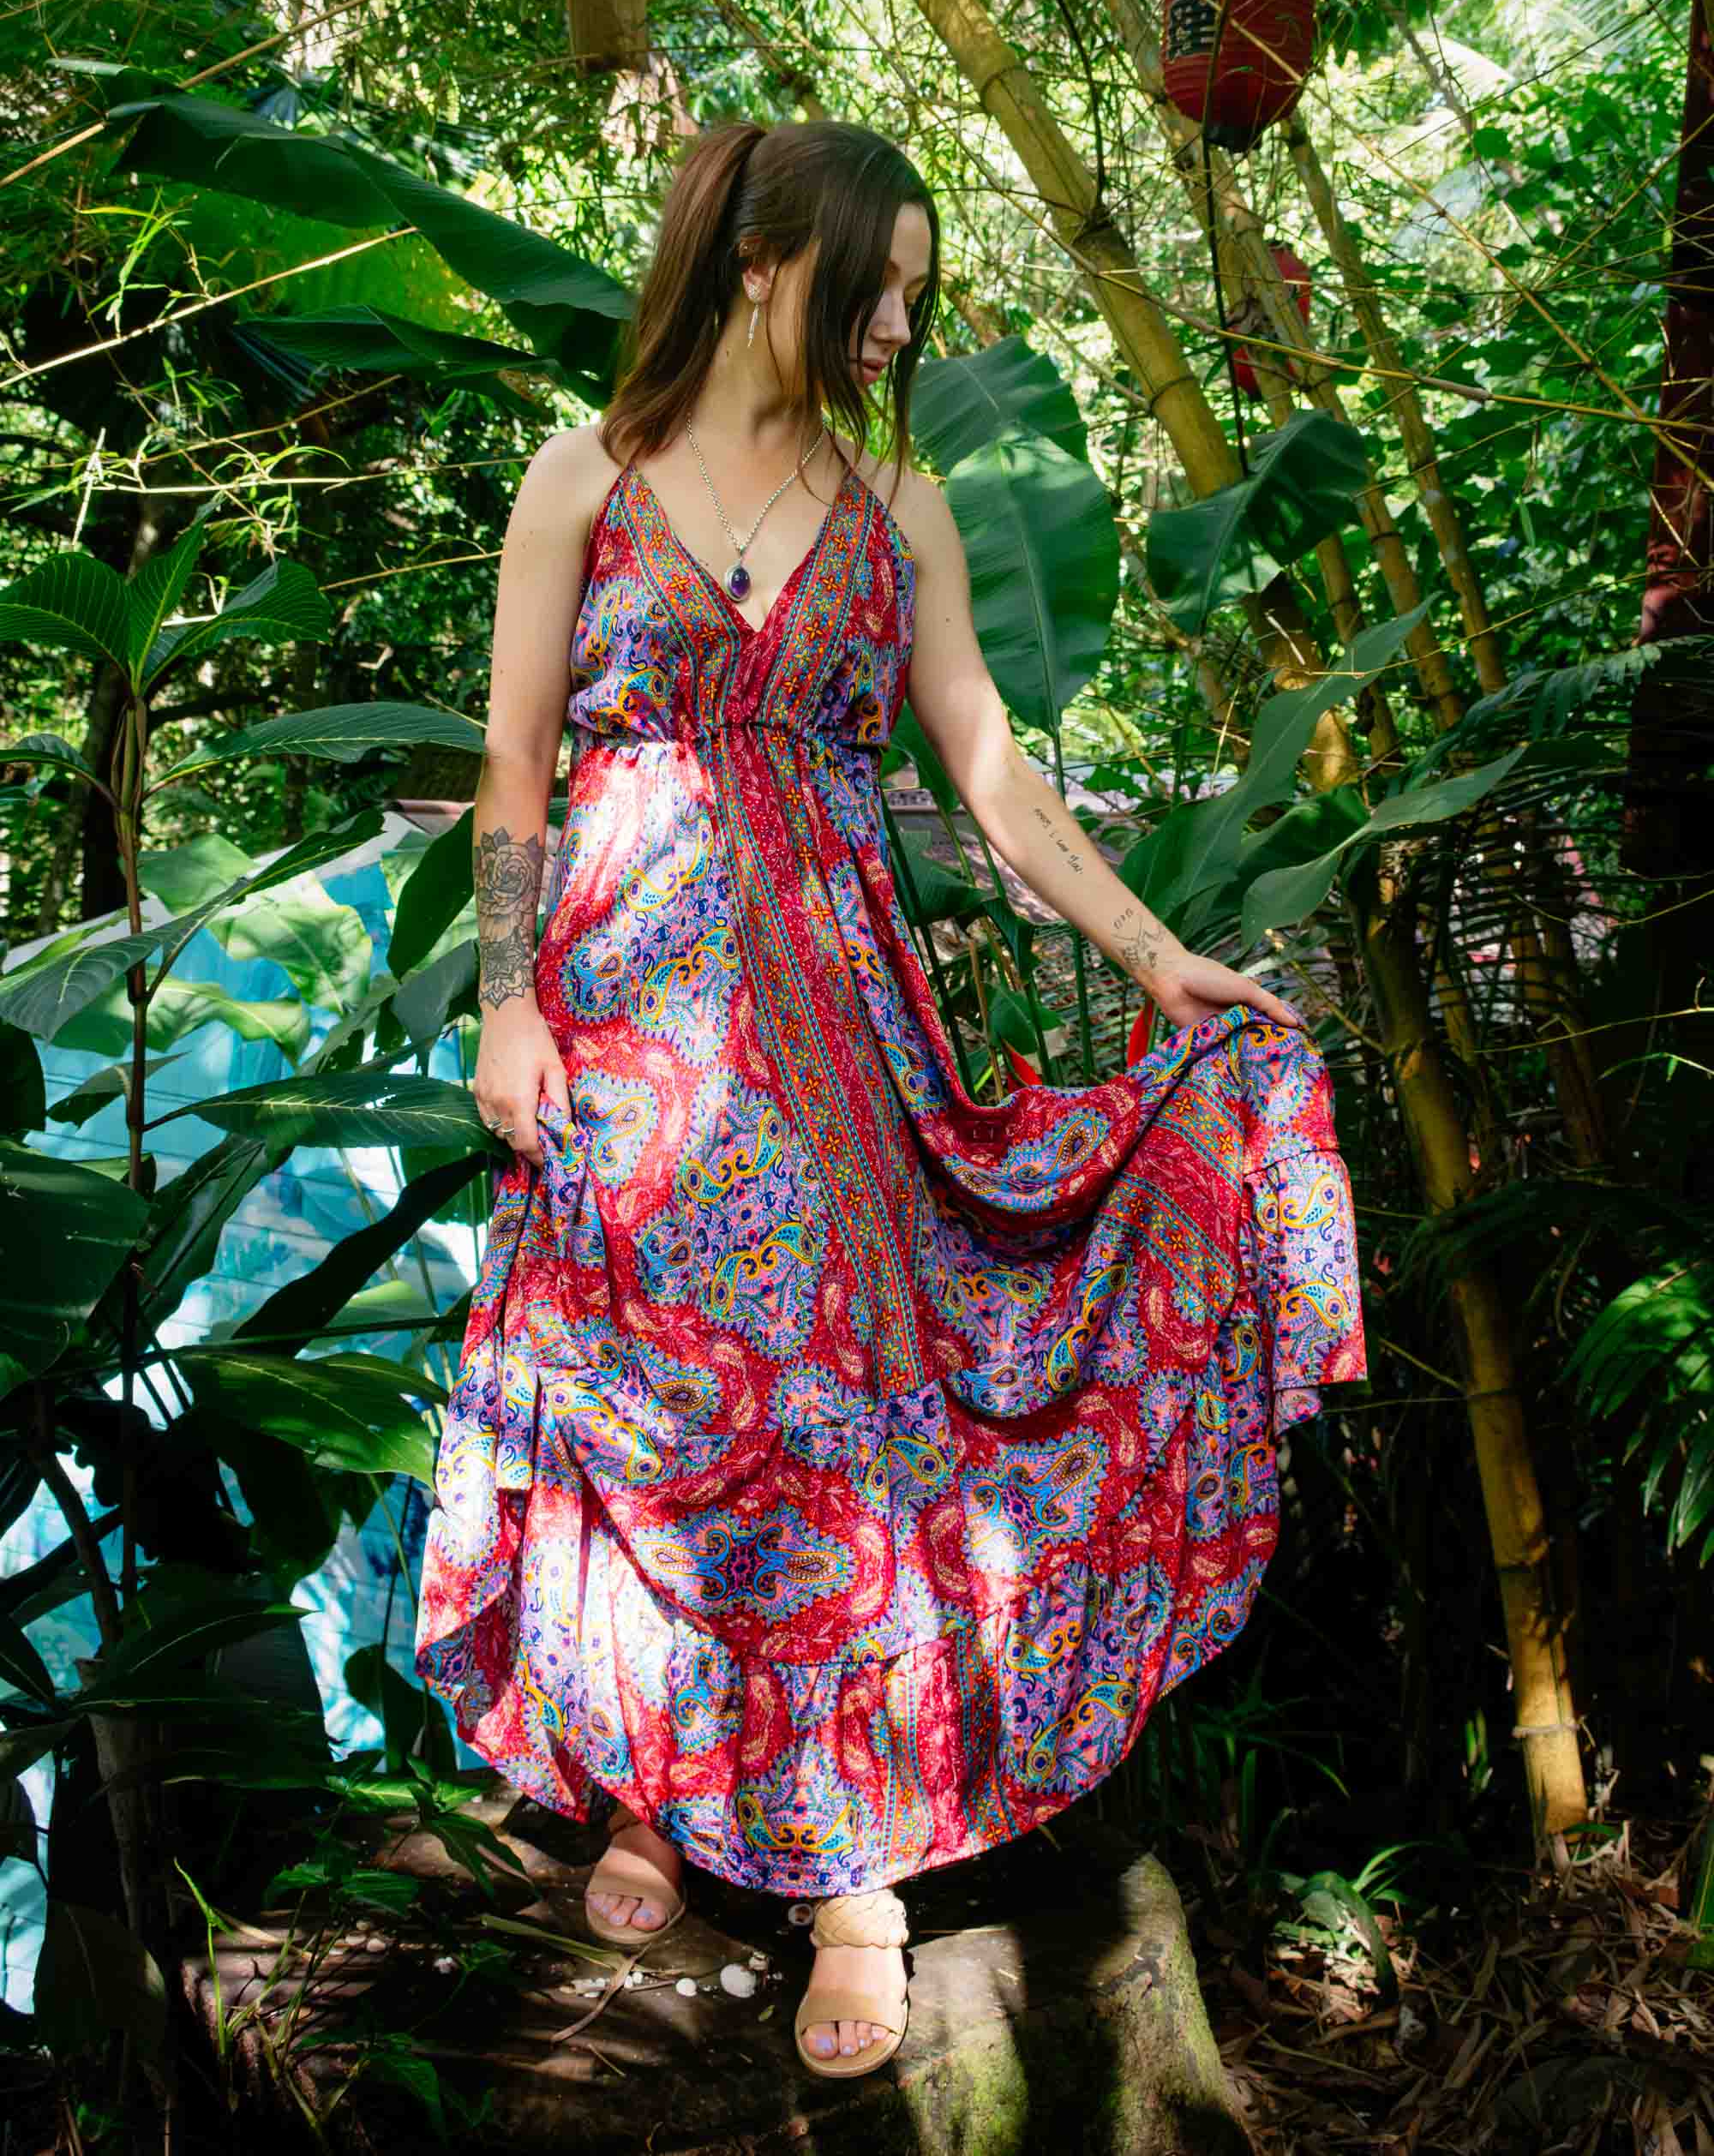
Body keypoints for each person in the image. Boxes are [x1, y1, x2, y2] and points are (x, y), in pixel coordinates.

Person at [414, 117, 1364, 2081]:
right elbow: (512, 767)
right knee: (646, 1392)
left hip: (840, 1023)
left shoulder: (901, 503)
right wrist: (505, 1010)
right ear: (765, 262)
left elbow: (991, 775)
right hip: (627, 1009)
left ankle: (855, 1869)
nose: (903, 325)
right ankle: (653, 1798)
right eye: (884, 285)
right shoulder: (581, 479)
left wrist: (1151, 957)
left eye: (919, 295)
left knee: (846, 1404)